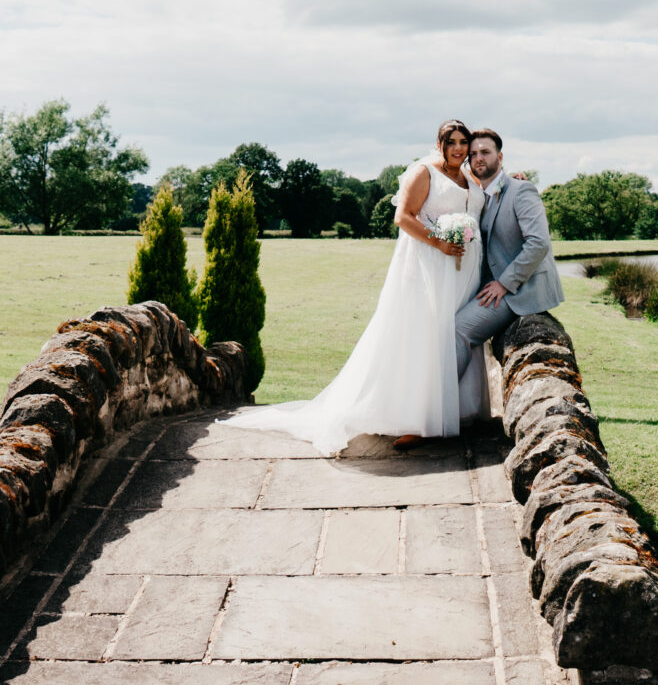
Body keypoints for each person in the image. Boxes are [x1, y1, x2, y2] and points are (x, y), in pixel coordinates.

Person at [222, 119, 485, 456]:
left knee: (456, 335)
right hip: (431, 268)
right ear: (440, 143)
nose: (459, 148)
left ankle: (453, 410)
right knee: (426, 336)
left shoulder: (469, 176)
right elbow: (403, 217)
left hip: (463, 272)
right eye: (452, 142)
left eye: (463, 142)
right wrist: (440, 244)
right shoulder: (424, 172)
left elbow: (487, 196)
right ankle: (416, 420)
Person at [454, 128, 563, 384]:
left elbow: (538, 243)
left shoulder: (521, 190)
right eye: (473, 154)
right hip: (491, 286)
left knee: (458, 330)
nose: (478, 158)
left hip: (520, 290)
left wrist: (504, 284)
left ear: (499, 157)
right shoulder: (480, 195)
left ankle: (442, 404)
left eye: (485, 152)